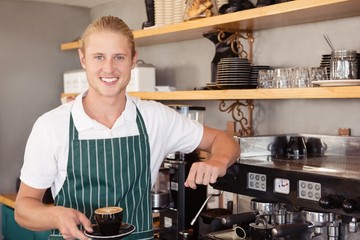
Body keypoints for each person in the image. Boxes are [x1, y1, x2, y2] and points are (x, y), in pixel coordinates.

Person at [14, 15, 240, 240]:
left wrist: (218, 160)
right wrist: (55, 216)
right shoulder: (51, 125)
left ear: (133, 60)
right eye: (99, 57)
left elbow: (223, 140)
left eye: (119, 57)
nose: (109, 68)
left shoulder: (155, 117)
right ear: (83, 59)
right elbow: (23, 209)